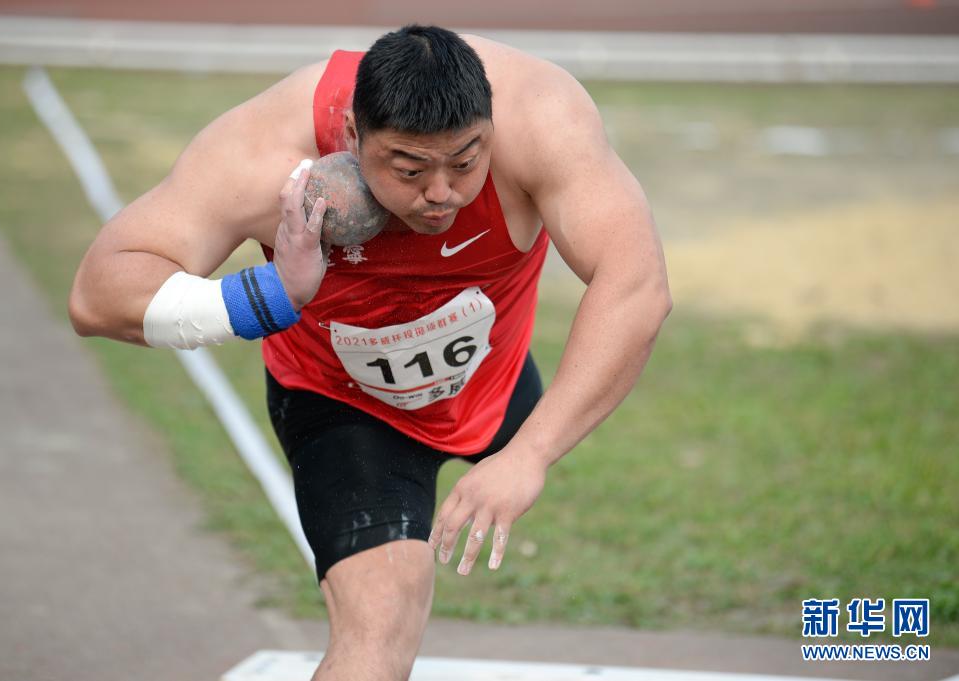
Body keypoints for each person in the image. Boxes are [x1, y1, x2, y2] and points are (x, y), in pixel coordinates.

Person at [68, 25, 671, 681]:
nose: (440, 193)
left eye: (464, 163)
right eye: (409, 170)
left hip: (493, 380)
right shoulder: (268, 152)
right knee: (380, 632)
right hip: (344, 403)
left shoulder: (541, 116)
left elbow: (635, 284)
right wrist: (273, 293)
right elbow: (98, 295)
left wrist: (529, 454)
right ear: (353, 134)